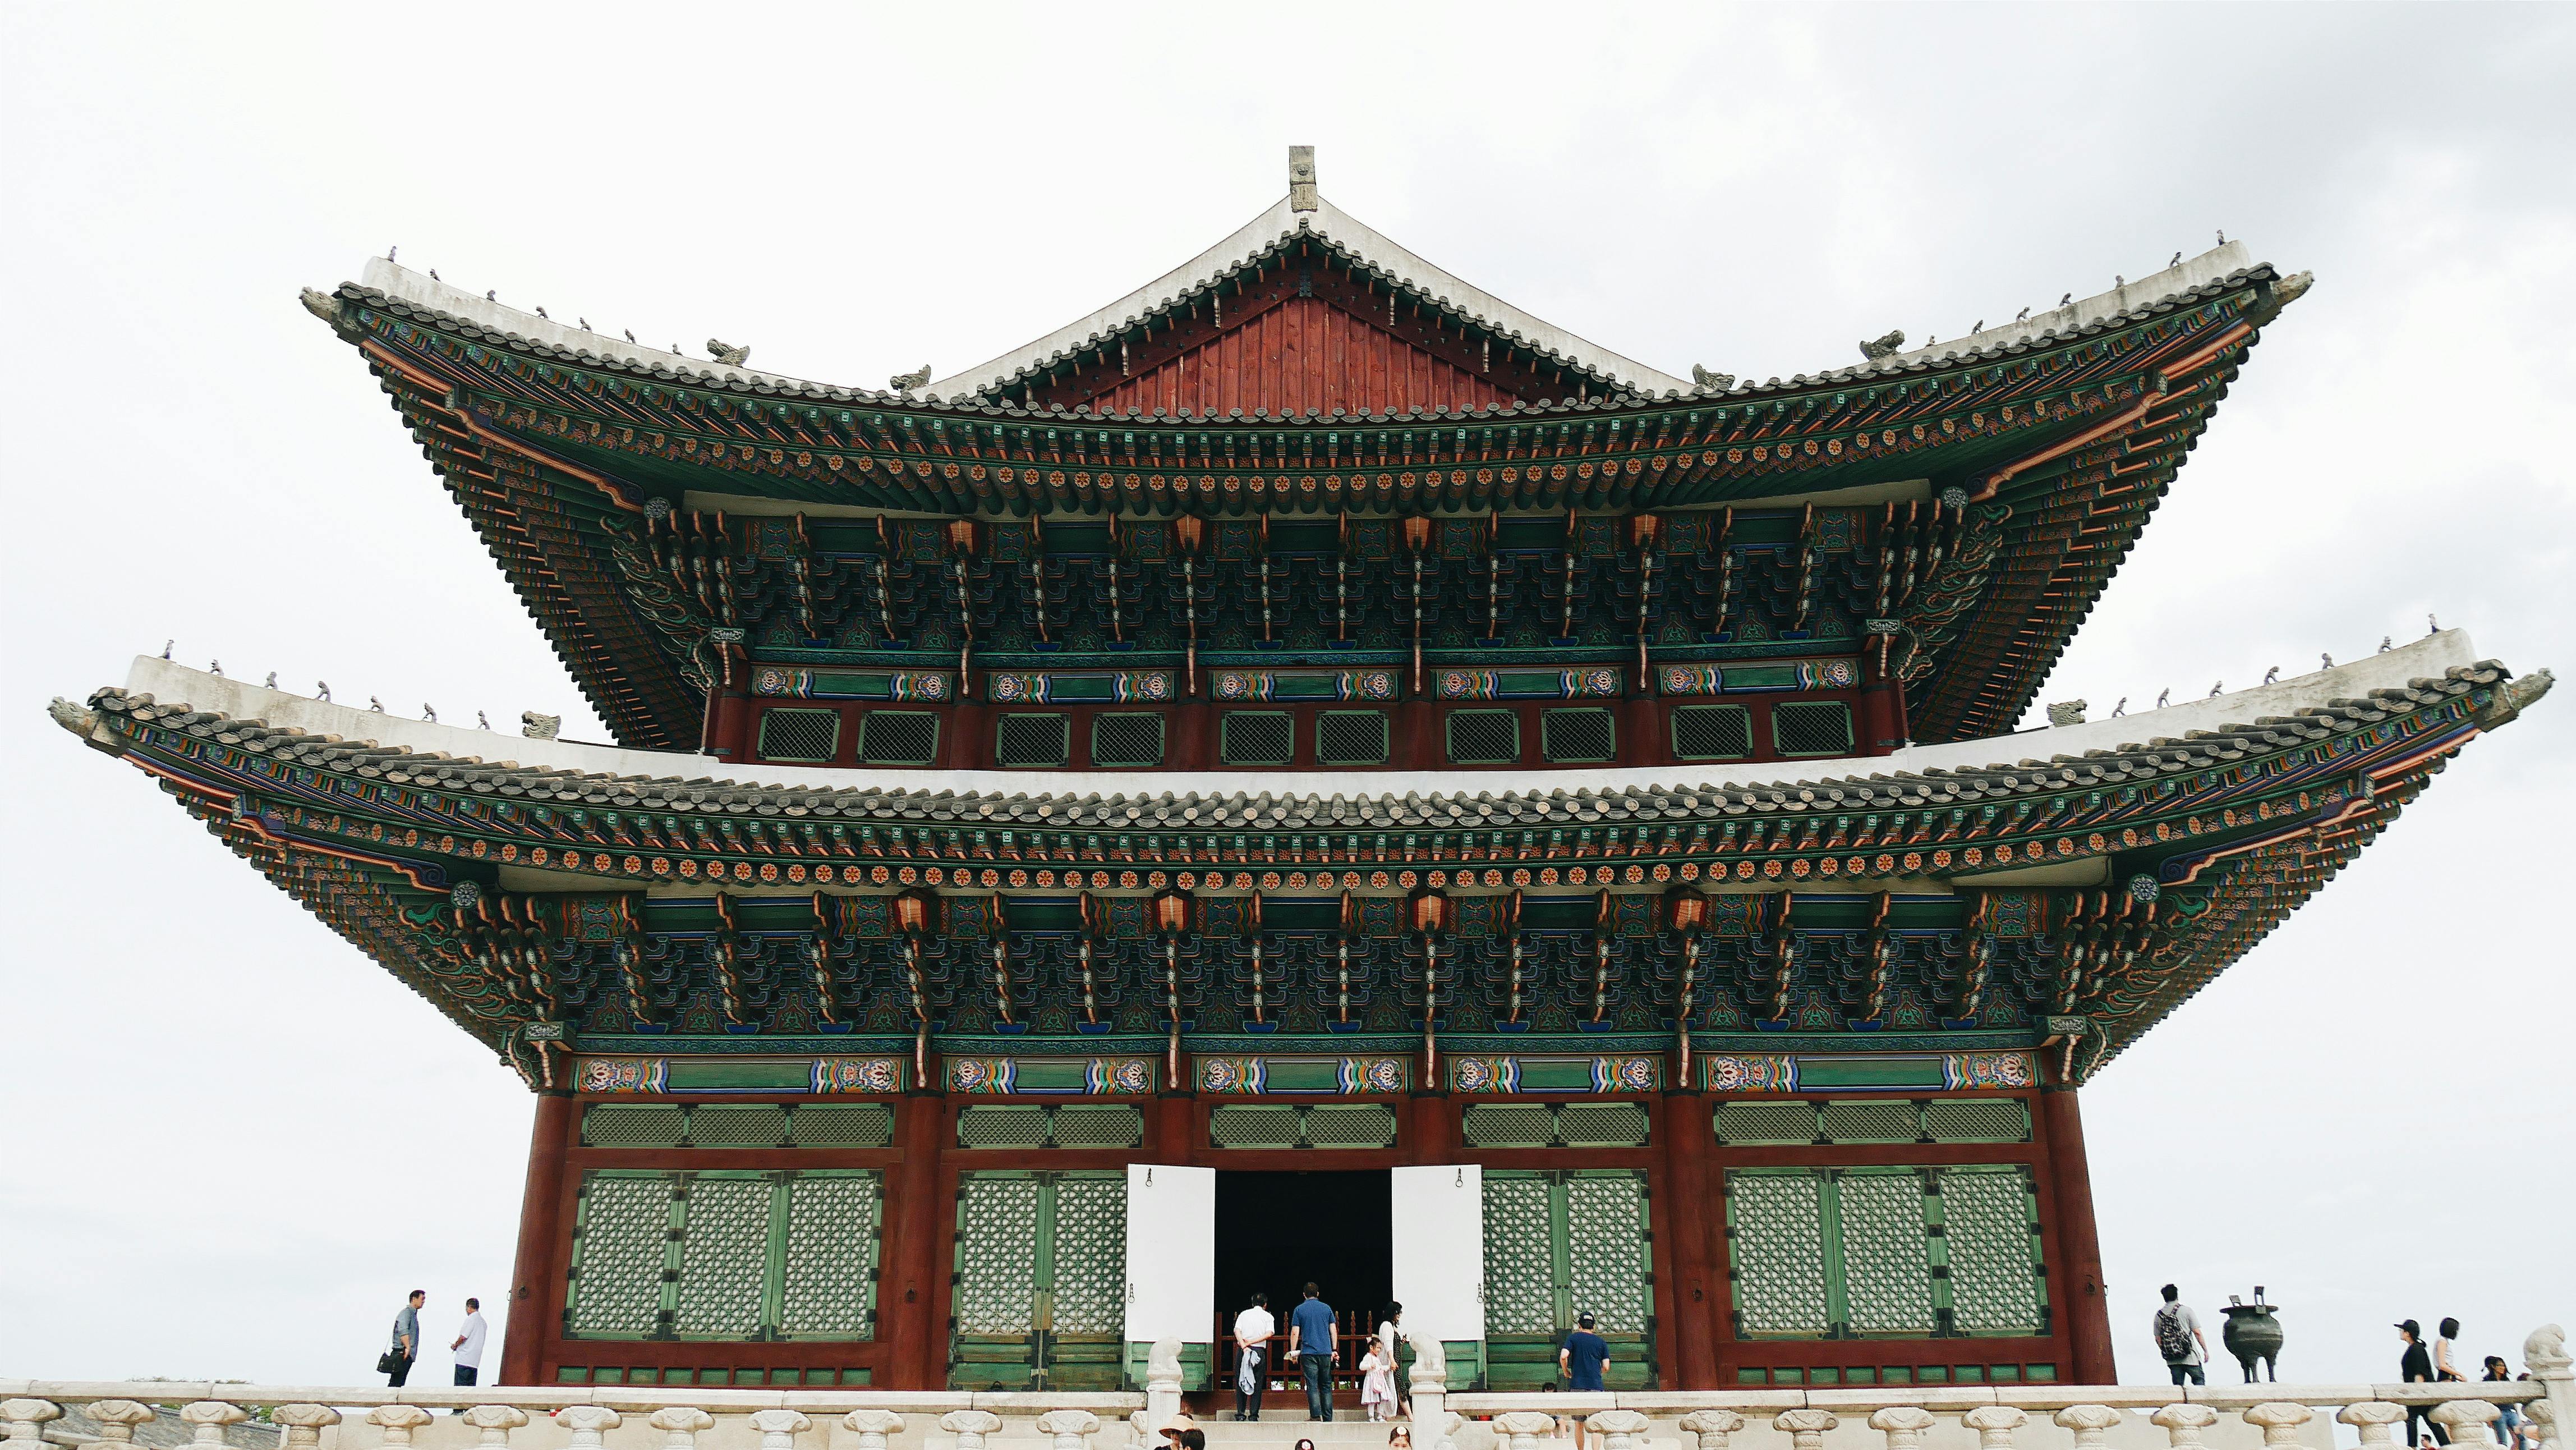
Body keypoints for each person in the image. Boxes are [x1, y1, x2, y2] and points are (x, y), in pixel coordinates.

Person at [1287, 1282, 1338, 1423]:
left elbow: (1295, 1332)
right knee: (1326, 1385)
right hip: (1325, 1352)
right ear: (1318, 1294)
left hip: (1308, 1352)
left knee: (1312, 1385)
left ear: (1304, 1295)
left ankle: (1316, 1416)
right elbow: (1333, 1330)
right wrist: (1334, 1349)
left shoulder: (1299, 1310)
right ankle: (1328, 1418)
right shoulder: (1326, 1309)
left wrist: (1293, 1352)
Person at [2399, 1320, 2448, 1447]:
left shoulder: (2416, 1349)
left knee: (2412, 1419)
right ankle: (2447, 1445)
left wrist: (2418, 1393)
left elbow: (2419, 1373)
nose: (2400, 1333)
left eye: (2402, 1330)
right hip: (2421, 1392)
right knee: (2431, 1421)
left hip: (2420, 1392)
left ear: (2408, 1333)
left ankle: (2412, 1447)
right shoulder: (2415, 1348)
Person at [2152, 1284, 2211, 1387]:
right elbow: (2197, 1333)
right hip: (2190, 1356)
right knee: (2199, 1381)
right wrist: (2205, 1350)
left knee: (2178, 1388)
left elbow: (2158, 1339)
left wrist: (2169, 1350)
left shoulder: (2159, 1315)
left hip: (2173, 1360)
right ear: (2177, 1295)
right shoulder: (2187, 1311)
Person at [1233, 1291, 1276, 1421]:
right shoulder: (1268, 1316)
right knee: (1257, 1383)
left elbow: (1237, 1330)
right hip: (1258, 1351)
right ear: (1265, 1305)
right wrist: (1253, 1342)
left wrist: (1244, 1345)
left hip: (1244, 1350)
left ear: (1252, 1303)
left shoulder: (1244, 1314)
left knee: (1241, 1379)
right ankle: (1253, 1415)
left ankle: (1241, 1414)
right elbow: (1270, 1333)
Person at [386, 1289, 425, 1387]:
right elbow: (403, 1330)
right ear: (414, 1299)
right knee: (396, 1381)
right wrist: (407, 1348)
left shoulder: (413, 1314)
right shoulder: (406, 1313)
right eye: (422, 1299)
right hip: (402, 1351)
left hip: (407, 1352)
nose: (424, 1301)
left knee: (400, 1381)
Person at [1377, 1302, 1409, 1417]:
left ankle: (1387, 1415)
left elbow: (1393, 1345)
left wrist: (1401, 1343)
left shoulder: (1390, 1326)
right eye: (1397, 1312)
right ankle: (1410, 1416)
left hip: (1394, 1362)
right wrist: (1392, 1360)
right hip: (1392, 1364)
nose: (1399, 1315)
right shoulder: (1387, 1326)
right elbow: (1388, 1344)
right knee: (1400, 1387)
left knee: (1396, 1388)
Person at [2482, 1357, 2520, 1447]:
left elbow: (2513, 1398)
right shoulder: (2487, 1381)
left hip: (2510, 1411)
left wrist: (2518, 1414)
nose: (2502, 1368)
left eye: (2503, 1366)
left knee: (2521, 1436)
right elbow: (2485, 1401)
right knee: (2502, 1441)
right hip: (2498, 1413)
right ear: (2493, 1367)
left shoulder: (2507, 1380)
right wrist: (2488, 1419)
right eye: (2500, 1365)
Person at [450, 1297, 487, 1388]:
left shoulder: (471, 1319)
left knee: (460, 1389)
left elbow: (463, 1337)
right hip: (475, 1361)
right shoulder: (483, 1322)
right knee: (470, 1390)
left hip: (464, 1359)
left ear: (469, 1307)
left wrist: (455, 1345)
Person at [1361, 1337, 1397, 1422]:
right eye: (1378, 1348)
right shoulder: (1368, 1357)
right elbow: (1361, 1366)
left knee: (1384, 1397)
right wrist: (1370, 1366)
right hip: (1372, 1380)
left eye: (1380, 1348)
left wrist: (1389, 1367)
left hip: (1380, 1380)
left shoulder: (1377, 1358)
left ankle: (1380, 1415)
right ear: (1371, 1347)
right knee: (1372, 1399)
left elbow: (1380, 1368)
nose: (1379, 1350)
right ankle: (1371, 1417)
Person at [2436, 1318, 2468, 1382]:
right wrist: (2459, 1374)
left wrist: (2456, 1376)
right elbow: (2442, 1365)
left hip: (2449, 1375)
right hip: (2446, 1376)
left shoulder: (2444, 1341)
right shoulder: (2442, 1342)